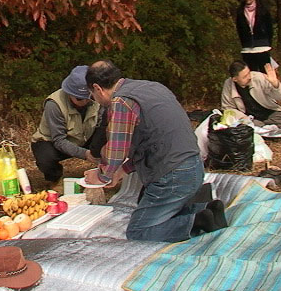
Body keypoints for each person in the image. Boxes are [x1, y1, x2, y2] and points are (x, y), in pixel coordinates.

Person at [84, 60, 227, 243]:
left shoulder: (122, 102)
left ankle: (198, 221)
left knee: (138, 231)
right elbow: (154, 140)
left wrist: (102, 176)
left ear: (97, 88)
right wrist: (122, 171)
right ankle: (205, 210)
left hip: (173, 176)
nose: (96, 100)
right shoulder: (152, 87)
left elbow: (116, 151)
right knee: (163, 213)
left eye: (92, 95)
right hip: (193, 166)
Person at [31, 65, 106, 187]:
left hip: (85, 136)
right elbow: (59, 140)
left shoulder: (97, 98)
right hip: (54, 141)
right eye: (79, 98)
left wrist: (100, 150)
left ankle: (106, 174)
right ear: (69, 93)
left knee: (106, 136)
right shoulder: (54, 104)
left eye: (88, 97)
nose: (85, 101)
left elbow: (103, 126)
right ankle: (54, 179)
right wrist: (86, 154)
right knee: (46, 158)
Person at [221, 60, 281, 128]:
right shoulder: (228, 85)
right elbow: (228, 108)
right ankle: (261, 126)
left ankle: (261, 126)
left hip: (268, 112)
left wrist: (275, 84)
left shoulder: (259, 77)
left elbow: (280, 97)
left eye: (249, 73)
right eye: (245, 76)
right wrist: (243, 117)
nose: (249, 77)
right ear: (235, 79)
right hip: (248, 117)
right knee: (242, 124)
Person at [236, 0, 274, 72]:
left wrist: (267, 43)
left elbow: (270, 29)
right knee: (251, 75)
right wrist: (245, 43)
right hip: (247, 49)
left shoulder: (264, 10)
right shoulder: (240, 12)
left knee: (266, 74)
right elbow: (239, 30)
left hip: (262, 47)